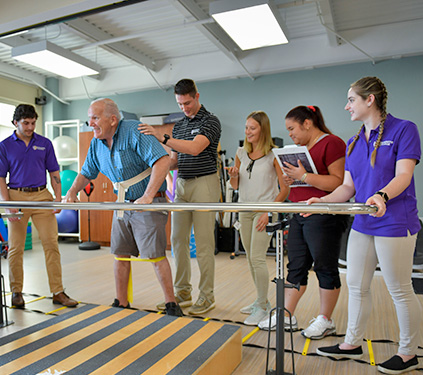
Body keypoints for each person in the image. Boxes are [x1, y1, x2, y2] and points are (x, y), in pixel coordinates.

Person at [314, 76, 422, 375]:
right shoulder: (354, 141)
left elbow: (403, 175)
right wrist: (319, 203)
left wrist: (382, 194)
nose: (346, 105)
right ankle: (351, 343)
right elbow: (347, 188)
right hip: (363, 223)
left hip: (394, 221)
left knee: (399, 288)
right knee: (357, 285)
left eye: (351, 99)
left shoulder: (404, 129)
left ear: (369, 99)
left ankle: (408, 353)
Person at [64, 98, 183, 317]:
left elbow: (162, 161)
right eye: (89, 118)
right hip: (122, 205)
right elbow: (86, 172)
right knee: (120, 254)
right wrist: (72, 191)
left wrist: (147, 196)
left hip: (148, 203)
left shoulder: (134, 131)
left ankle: (171, 304)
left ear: (112, 119)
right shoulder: (96, 142)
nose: (90, 123)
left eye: (95, 118)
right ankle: (122, 301)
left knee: (155, 255)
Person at [258, 105, 347, 339]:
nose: (290, 134)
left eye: (292, 129)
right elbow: (301, 184)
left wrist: (304, 176)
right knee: (295, 266)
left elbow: (339, 183)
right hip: (300, 213)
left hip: (325, 215)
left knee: (324, 267)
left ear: (308, 123)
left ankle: (325, 320)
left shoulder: (332, 143)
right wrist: (292, 179)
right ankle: (286, 314)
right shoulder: (300, 150)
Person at [139, 78, 221, 315]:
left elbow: (195, 149)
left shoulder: (211, 121)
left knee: (204, 244)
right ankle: (182, 291)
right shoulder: (180, 126)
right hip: (182, 184)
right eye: (180, 104)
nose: (184, 108)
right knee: (177, 240)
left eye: (187, 102)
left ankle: (207, 296)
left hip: (205, 183)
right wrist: (153, 168)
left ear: (197, 96)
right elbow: (175, 160)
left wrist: (161, 137)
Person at [0, 104, 78, 309]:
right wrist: (8, 205)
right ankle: (16, 292)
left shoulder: (45, 143)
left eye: (33, 123)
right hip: (16, 197)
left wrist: (57, 198)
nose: (31, 127)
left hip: (42, 196)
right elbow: (0, 177)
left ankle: (58, 292)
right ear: (16, 123)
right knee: (16, 248)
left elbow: (54, 173)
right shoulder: (5, 146)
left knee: (51, 244)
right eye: (26, 123)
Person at [227, 111, 289, 325]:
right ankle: (260, 301)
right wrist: (233, 176)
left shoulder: (274, 155)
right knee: (250, 258)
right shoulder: (240, 153)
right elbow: (235, 186)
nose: (248, 132)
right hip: (244, 209)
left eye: (252, 128)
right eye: (246, 128)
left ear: (263, 129)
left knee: (258, 257)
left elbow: (285, 189)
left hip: (265, 211)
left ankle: (262, 305)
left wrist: (269, 212)